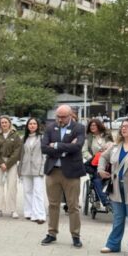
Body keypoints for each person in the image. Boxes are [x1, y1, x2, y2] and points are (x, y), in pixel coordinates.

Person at [40, 105, 86, 248]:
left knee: (73, 206)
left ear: (71, 115)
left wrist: (56, 145)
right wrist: (65, 147)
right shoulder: (49, 127)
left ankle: (75, 235)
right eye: (58, 116)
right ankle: (52, 233)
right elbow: (44, 148)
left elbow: (77, 147)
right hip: (53, 171)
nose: (60, 119)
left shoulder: (79, 128)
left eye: (63, 117)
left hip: (71, 172)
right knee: (53, 204)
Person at [98, 118, 128, 256]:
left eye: (127, 127)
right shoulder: (116, 146)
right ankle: (113, 244)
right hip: (116, 186)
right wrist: (100, 170)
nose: (123, 129)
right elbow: (102, 157)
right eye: (122, 126)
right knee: (118, 217)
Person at [0, 116, 23, 219]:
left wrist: (8, 163)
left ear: (9, 123)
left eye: (6, 122)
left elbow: (18, 150)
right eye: (2, 123)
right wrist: (1, 163)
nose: (4, 124)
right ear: (0, 124)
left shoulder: (15, 136)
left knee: (12, 186)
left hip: (11, 163)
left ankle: (13, 210)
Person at [18, 117, 46, 224]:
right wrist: (19, 170)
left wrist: (43, 168)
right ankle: (28, 212)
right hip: (25, 168)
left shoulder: (42, 138)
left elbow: (44, 155)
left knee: (38, 192)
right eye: (30, 124)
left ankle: (39, 215)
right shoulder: (24, 138)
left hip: (38, 168)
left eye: (34, 124)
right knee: (27, 191)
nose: (32, 125)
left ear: (38, 125)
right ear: (27, 126)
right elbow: (21, 155)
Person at [83, 118, 113, 209]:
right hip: (94, 164)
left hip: (108, 163)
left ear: (99, 125)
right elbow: (84, 151)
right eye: (91, 125)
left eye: (94, 125)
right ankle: (105, 202)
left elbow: (113, 147)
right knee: (97, 179)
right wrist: (92, 159)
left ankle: (106, 198)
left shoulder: (107, 136)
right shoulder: (88, 138)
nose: (92, 127)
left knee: (109, 179)